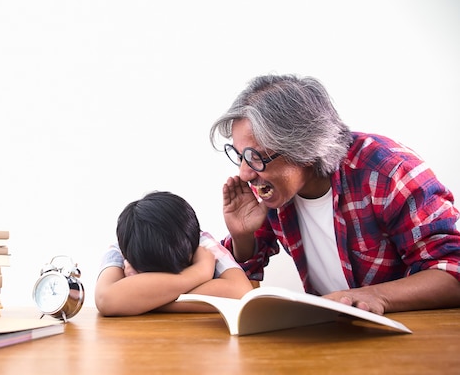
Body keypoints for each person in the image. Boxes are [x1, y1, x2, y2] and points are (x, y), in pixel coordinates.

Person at [209, 73, 460, 315]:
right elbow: (237, 285)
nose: (244, 173)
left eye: (256, 156)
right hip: (333, 336)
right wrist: (243, 237)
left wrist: (375, 295)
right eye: (241, 156)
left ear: (303, 148)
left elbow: (452, 272)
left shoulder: (388, 172)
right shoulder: (272, 190)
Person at [95, 191, 253, 316]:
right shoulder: (122, 248)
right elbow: (105, 300)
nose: (164, 282)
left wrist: (142, 301)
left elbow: (242, 293)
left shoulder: (202, 243)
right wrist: (199, 272)